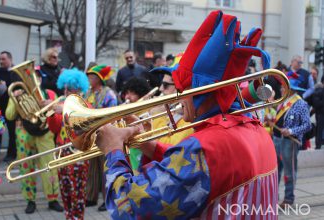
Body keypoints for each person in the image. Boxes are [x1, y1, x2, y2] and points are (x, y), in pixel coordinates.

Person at [95, 10, 278, 219]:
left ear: (199, 91)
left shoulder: (204, 148)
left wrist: (113, 151)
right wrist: (149, 146)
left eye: (181, 90)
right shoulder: (257, 129)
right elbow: (202, 172)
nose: (178, 99)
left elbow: (127, 209)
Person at [5, 71, 63, 214]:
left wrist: (48, 108)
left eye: (36, 77)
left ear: (40, 79)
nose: (33, 81)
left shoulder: (50, 94)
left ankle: (52, 199)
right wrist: (14, 100)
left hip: (45, 134)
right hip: (24, 133)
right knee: (26, 168)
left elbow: (56, 113)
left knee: (49, 166)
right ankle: (30, 201)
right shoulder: (19, 93)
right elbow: (9, 115)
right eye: (29, 78)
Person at [47, 69, 90, 219]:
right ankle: (68, 216)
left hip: (78, 153)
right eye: (64, 87)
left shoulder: (86, 105)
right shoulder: (62, 103)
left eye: (69, 88)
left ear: (78, 89)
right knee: (65, 190)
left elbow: (83, 124)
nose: (65, 91)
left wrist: (64, 109)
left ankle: (77, 217)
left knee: (77, 191)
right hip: (62, 152)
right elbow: (54, 129)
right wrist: (52, 114)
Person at [271, 72, 312, 207]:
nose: (281, 89)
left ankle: (288, 199)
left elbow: (307, 125)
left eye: (284, 87)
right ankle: (273, 197)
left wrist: (291, 131)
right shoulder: (282, 101)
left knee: (289, 171)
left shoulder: (300, 103)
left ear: (291, 89)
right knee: (275, 171)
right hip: (277, 139)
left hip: (290, 142)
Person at [85, 64, 118, 211]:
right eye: (89, 77)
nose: (89, 79)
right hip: (90, 135)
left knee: (105, 169)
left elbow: (113, 115)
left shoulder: (109, 94)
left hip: (105, 134)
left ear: (99, 78)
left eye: (92, 77)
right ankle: (91, 197)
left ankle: (106, 200)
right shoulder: (87, 93)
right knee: (92, 168)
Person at [0, 51, 19, 162]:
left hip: (11, 108)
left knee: (11, 132)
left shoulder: (15, 72)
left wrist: (6, 86)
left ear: (10, 59)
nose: (1, 61)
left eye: (3, 59)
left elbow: (17, 88)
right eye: (0, 59)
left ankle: (11, 154)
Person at [306, 75, 324, 149]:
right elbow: (316, 104)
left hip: (319, 113)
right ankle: (318, 145)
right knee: (319, 129)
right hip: (320, 114)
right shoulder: (318, 91)